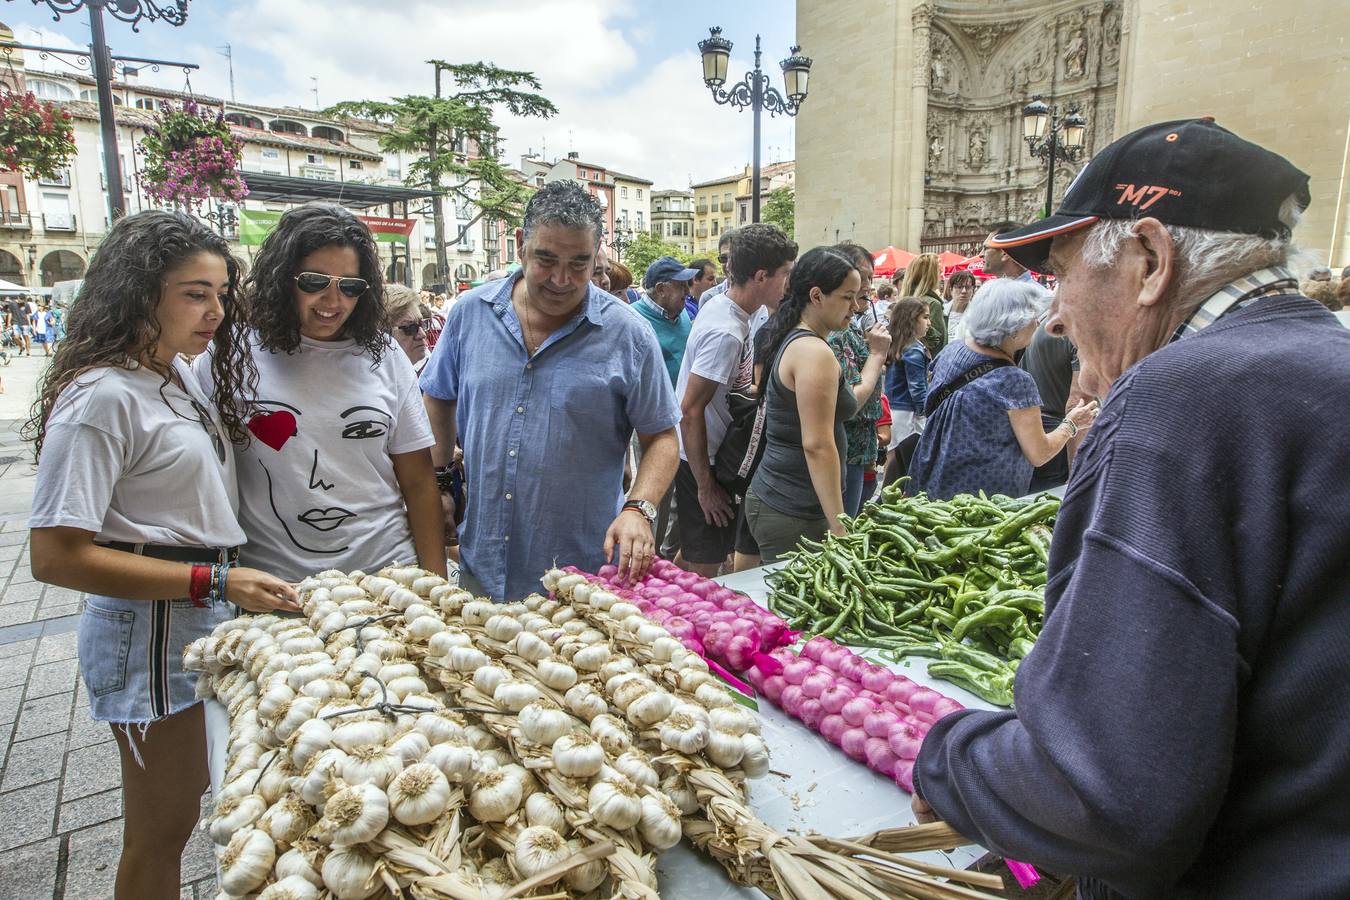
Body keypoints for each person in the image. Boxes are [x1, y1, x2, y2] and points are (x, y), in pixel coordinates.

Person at [914, 119, 1350, 899]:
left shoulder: (1180, 398)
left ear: (1149, 261)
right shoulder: (1325, 365)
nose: (1051, 316)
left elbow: (1105, 794)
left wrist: (947, 760)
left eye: (1060, 274)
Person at [25, 210, 299, 900]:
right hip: (152, 631)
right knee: (161, 830)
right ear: (139, 291)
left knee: (194, 810)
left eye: (221, 293)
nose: (215, 310)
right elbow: (55, 556)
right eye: (194, 293)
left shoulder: (174, 375)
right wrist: (214, 581)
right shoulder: (101, 397)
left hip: (201, 614)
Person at [420, 180, 680, 601]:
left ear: (597, 256)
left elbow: (664, 438)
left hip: (581, 583)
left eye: (579, 263)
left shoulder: (628, 333)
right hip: (480, 570)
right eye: (546, 259)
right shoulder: (470, 314)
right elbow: (438, 397)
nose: (561, 279)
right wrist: (441, 484)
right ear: (521, 244)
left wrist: (639, 508)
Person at [205, 204, 445, 582]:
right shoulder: (230, 355)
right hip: (274, 590)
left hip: (388, 583)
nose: (334, 302)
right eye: (315, 282)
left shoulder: (384, 356)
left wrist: (434, 587)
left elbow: (417, 481)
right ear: (283, 279)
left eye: (350, 287)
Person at [673, 222, 796, 576]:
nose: (788, 283)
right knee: (704, 569)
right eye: (785, 274)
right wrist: (705, 486)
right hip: (702, 460)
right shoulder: (725, 331)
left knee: (697, 554)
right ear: (761, 276)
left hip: (711, 455)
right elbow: (690, 410)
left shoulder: (742, 313)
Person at [909, 278, 1097, 500]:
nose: (1038, 324)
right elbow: (1039, 453)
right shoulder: (1015, 381)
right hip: (980, 500)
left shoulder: (952, 351)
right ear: (1012, 329)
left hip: (933, 480)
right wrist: (1071, 424)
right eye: (1032, 318)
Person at [744, 247, 862, 562]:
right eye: (848, 297)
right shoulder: (813, 352)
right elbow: (818, 445)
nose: (856, 308)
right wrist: (840, 528)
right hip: (791, 509)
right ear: (817, 296)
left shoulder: (799, 338)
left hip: (785, 502)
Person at [828, 242, 891, 517]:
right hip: (846, 451)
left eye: (870, 277)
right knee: (843, 530)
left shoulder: (849, 326)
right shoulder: (838, 332)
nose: (867, 285)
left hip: (856, 452)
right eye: (862, 276)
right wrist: (877, 354)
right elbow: (850, 401)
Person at [1020, 320, 1088, 491]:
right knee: (1050, 507)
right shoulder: (1078, 333)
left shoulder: (1045, 323)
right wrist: (1076, 473)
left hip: (1032, 430)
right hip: (1059, 439)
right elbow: (1078, 404)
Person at [882, 297, 932, 484]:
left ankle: (888, 494)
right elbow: (917, 388)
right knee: (903, 458)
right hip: (908, 412)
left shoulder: (900, 344)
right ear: (912, 319)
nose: (929, 323)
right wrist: (925, 412)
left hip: (894, 407)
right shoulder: (914, 350)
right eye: (925, 317)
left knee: (893, 455)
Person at [633, 255, 697, 385]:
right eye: (681, 286)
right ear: (661, 289)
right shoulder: (632, 319)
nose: (687, 292)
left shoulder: (680, 310)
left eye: (687, 285)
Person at [899, 253, 948, 355]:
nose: (940, 277)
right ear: (932, 276)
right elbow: (936, 346)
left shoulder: (904, 301)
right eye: (939, 273)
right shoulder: (933, 304)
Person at [943, 270, 977, 344]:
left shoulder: (977, 315)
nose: (964, 291)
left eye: (968, 287)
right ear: (951, 290)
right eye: (959, 287)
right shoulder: (942, 311)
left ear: (973, 290)